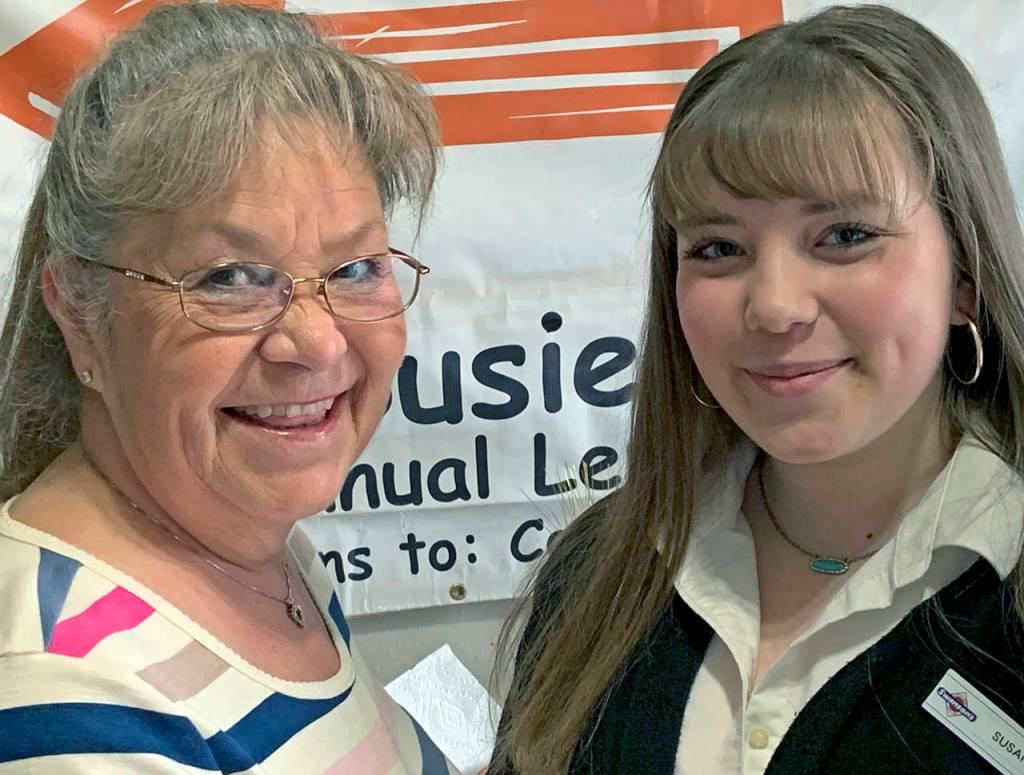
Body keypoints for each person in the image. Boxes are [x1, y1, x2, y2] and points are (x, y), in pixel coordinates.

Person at [491, 5, 1024, 774]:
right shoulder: (599, 571)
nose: (773, 305)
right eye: (718, 246)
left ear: (965, 273)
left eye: (843, 236)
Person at [0, 4, 456, 773]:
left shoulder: (250, 539)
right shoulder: (72, 697)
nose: (315, 342)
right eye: (231, 278)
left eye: (354, 268)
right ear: (80, 313)